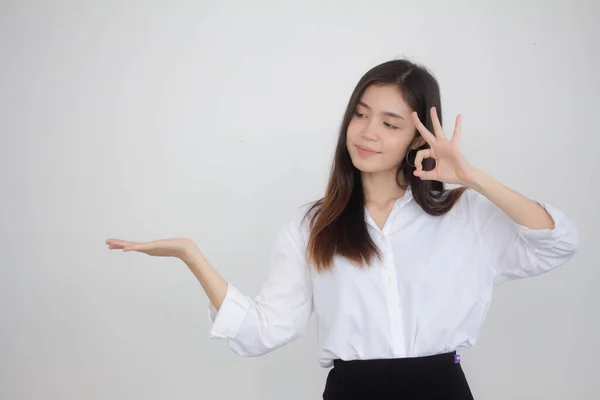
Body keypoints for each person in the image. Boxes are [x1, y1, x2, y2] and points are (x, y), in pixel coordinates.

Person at [105, 59, 579, 399]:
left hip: (441, 389)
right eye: (360, 114)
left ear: (417, 137)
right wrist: (192, 256)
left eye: (390, 123)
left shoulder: (466, 215)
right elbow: (262, 331)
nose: (367, 132)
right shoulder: (313, 226)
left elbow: (557, 241)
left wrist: (473, 178)